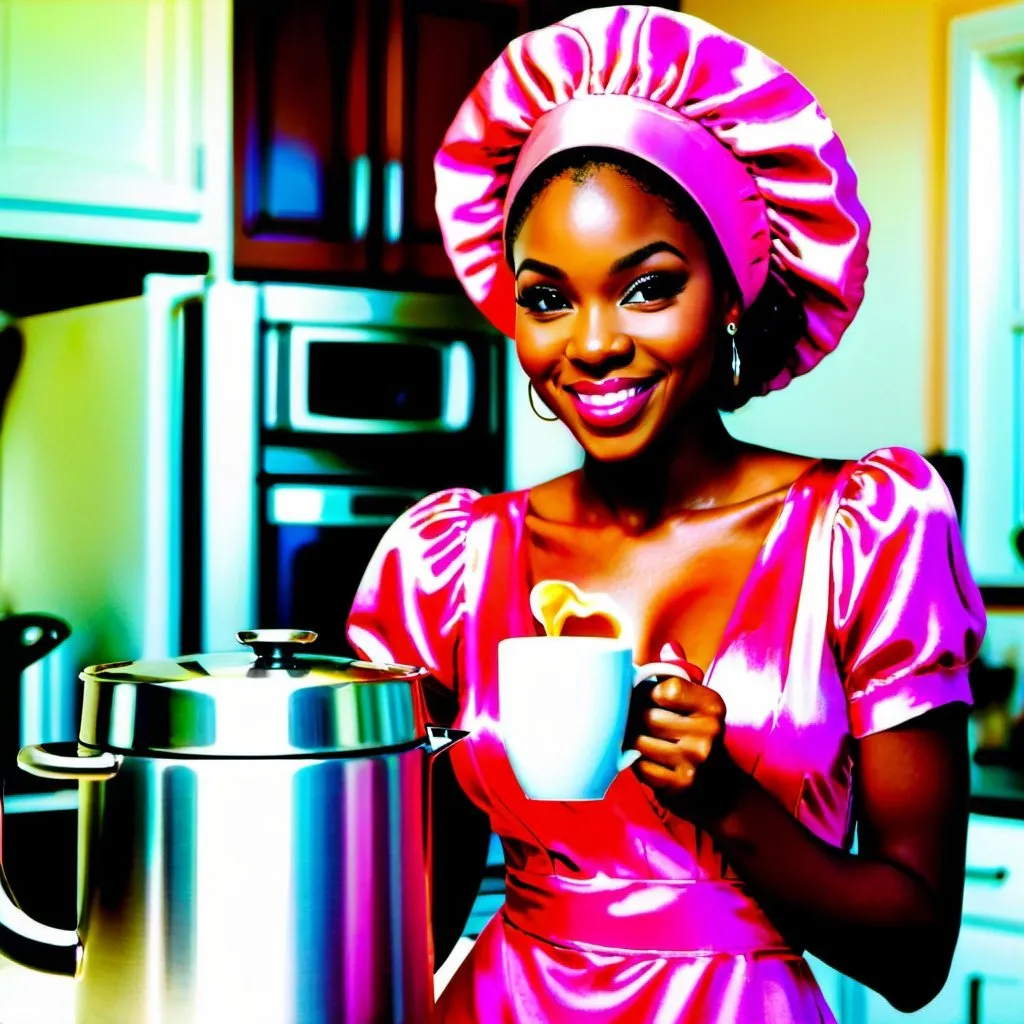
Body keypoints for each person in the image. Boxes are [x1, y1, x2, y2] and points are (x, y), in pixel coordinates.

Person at [346, 7, 986, 1022]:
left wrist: (726, 800)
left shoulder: (865, 532)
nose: (591, 343)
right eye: (548, 298)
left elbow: (914, 957)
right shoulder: (447, 562)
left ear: (731, 292)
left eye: (646, 288)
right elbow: (409, 911)